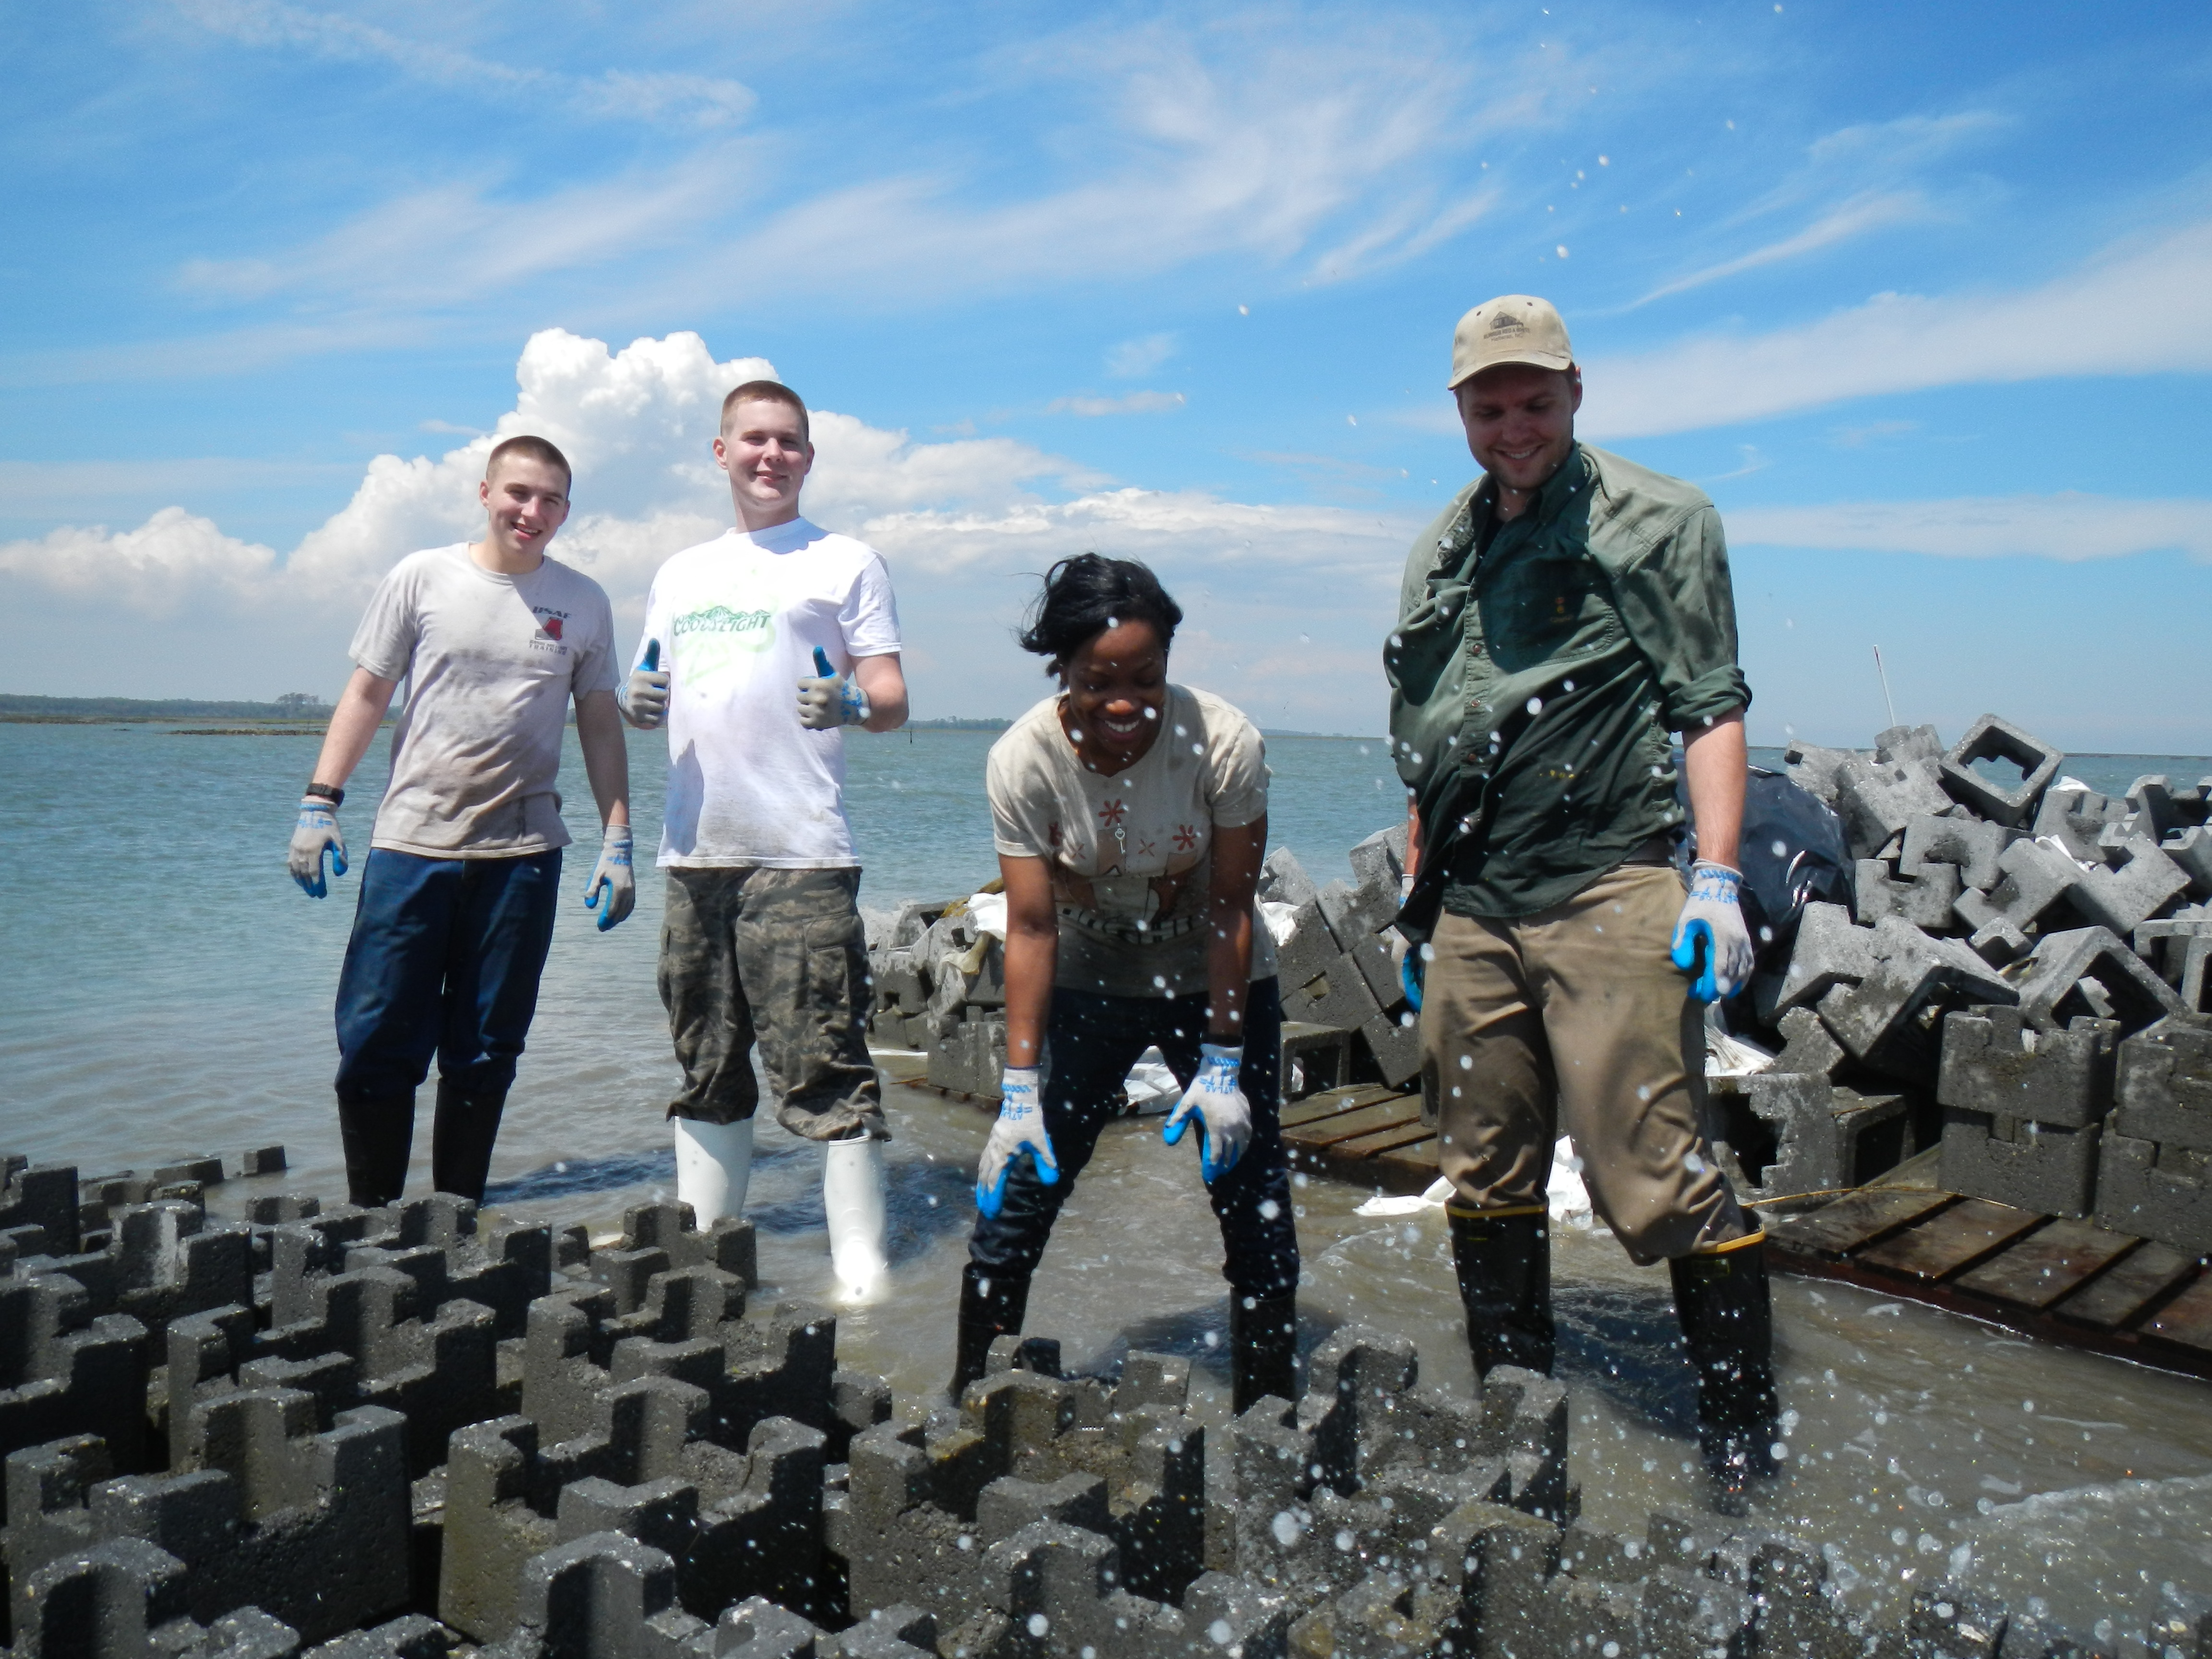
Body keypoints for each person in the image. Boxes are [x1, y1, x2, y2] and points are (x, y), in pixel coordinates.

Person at [1384, 294, 1778, 1503]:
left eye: (1535, 404)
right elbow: (1433, 733)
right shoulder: (1439, 544)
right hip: (1471, 905)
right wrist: (1416, 896)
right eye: (1489, 408)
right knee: (1482, 1167)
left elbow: (1707, 703)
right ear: (1459, 410)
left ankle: (1742, 1450)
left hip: (1607, 883)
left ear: (1576, 393)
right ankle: (1519, 1421)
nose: (1514, 430)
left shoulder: (1661, 519)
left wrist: (1714, 879)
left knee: (1648, 1180)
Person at [950, 553, 1300, 1413]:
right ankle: (968, 1403)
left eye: (1145, 678)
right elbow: (1031, 927)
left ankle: (1272, 1417)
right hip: (1089, 971)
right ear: (1060, 669)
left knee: (1252, 1199)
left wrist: (1224, 1064)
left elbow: (1230, 907)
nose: (1123, 702)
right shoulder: (1022, 758)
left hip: (1210, 973)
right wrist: (1020, 1091)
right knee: (1023, 1195)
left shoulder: (1223, 742)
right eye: (1096, 679)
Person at [289, 434, 635, 1208]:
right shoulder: (422, 576)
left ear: (566, 511)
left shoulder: (584, 601)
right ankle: (370, 1219)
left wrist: (618, 838)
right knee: (378, 1038)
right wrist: (321, 801)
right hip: (412, 845)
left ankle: (456, 1216)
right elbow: (369, 693)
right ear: (485, 493)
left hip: (523, 856)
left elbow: (600, 722)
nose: (532, 511)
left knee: (486, 1049)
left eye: (550, 500)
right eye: (518, 493)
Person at [619, 380, 909, 1301]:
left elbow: (894, 694)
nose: (770, 456)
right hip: (695, 852)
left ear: (809, 458)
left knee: (824, 1061)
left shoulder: (845, 561)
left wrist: (857, 702)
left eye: (788, 442)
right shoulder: (680, 573)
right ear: (721, 452)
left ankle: (860, 1264)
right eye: (754, 440)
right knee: (705, 1059)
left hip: (802, 852)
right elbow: (648, 682)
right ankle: (707, 1248)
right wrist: (633, 702)